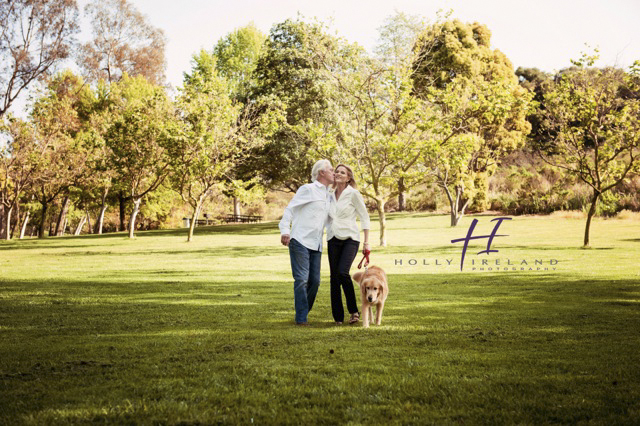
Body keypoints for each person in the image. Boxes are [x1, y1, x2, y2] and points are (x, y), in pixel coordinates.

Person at [279, 159, 334, 326]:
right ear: (321, 172)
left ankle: (303, 311)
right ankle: (301, 318)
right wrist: (285, 231)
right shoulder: (308, 189)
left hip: (316, 243)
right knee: (302, 279)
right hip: (300, 240)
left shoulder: (329, 194)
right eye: (331, 169)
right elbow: (290, 210)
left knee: (315, 281)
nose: (334, 172)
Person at [327, 164, 370, 325]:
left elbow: (364, 217)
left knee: (343, 273)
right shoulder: (329, 194)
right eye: (336, 171)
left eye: (342, 172)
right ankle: (338, 317)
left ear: (348, 177)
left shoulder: (353, 194)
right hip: (332, 238)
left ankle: (353, 311)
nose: (338, 174)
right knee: (334, 278)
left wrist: (367, 242)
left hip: (351, 238)